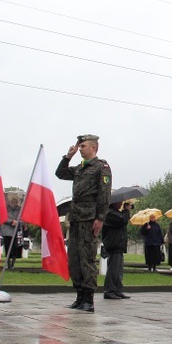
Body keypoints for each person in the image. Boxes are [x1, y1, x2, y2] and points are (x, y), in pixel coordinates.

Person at [55, 134, 112, 313]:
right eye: (79, 146)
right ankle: (79, 296)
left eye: (83, 146)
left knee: (87, 258)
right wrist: (67, 157)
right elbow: (60, 173)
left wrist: (100, 218)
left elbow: (104, 193)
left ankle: (89, 299)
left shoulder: (101, 167)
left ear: (94, 148)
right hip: (76, 216)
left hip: (90, 217)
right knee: (74, 258)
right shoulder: (79, 168)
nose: (80, 149)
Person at [102, 201, 131, 300]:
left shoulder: (116, 213)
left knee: (118, 270)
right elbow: (122, 220)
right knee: (113, 269)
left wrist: (125, 212)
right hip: (114, 244)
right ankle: (109, 290)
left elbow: (123, 220)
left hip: (118, 245)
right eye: (119, 202)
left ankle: (118, 290)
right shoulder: (110, 213)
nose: (121, 204)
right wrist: (126, 211)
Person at [0, 194, 23, 270]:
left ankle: (13, 264)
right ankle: (8, 263)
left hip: (16, 232)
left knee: (15, 249)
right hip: (7, 231)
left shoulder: (20, 210)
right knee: (8, 248)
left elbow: (23, 219)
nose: (13, 202)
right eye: (12, 201)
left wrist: (18, 222)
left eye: (15, 201)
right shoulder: (6, 209)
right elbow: (3, 217)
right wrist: (11, 221)